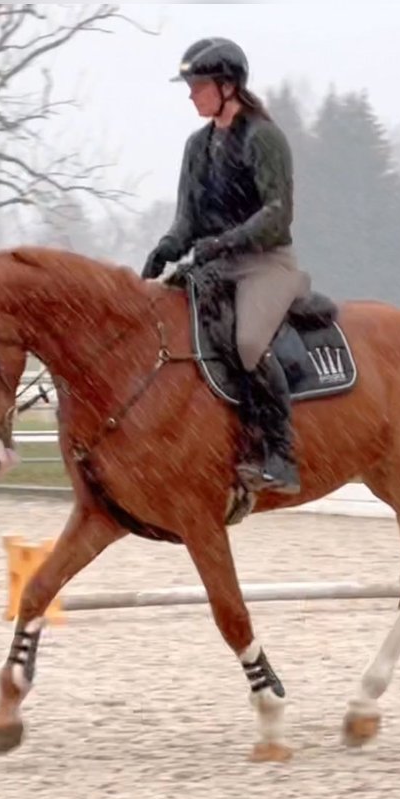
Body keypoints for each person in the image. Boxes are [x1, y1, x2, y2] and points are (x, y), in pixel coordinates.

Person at [142, 36, 311, 496]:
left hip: (264, 263)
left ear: (228, 85)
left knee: (249, 341)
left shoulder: (264, 138)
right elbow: (187, 219)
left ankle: (281, 454)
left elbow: (277, 214)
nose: (191, 94)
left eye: (198, 85)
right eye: (191, 86)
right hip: (212, 264)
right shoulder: (197, 146)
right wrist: (165, 247)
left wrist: (221, 244)